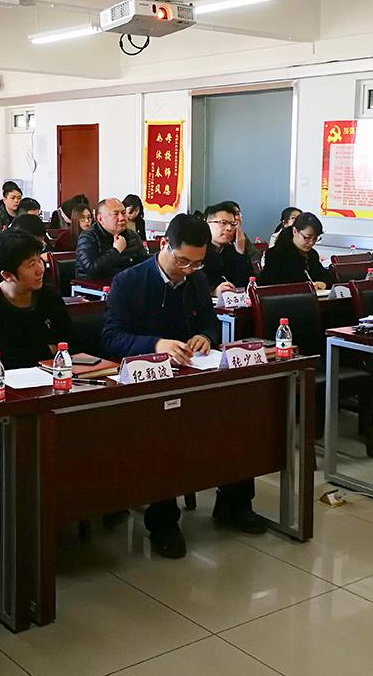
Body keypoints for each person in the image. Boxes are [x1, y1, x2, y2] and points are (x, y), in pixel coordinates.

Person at [101, 213, 263, 557]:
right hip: (145, 385)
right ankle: (163, 522)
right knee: (164, 430)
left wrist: (205, 336)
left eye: (197, 263)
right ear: (164, 245)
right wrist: (156, 344)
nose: (188, 270)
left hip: (192, 375)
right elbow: (111, 338)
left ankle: (234, 503)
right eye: (183, 261)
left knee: (237, 414)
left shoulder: (196, 280)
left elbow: (211, 323)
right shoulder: (129, 281)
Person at [0, 231, 73, 369]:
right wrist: (50, 350)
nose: (40, 270)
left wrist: (30, 353)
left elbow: (70, 344)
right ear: (7, 275)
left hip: (53, 374)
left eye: (39, 260)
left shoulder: (50, 295)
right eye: (31, 264)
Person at [76, 197, 149, 281]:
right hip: (94, 286)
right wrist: (116, 250)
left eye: (123, 213)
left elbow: (144, 263)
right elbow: (91, 269)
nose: (122, 218)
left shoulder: (132, 236)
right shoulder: (88, 237)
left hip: (126, 283)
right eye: (116, 214)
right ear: (100, 219)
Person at [259, 212, 332, 289]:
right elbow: (276, 286)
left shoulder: (312, 254)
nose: (311, 242)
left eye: (315, 238)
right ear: (295, 231)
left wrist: (323, 284)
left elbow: (325, 276)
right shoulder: (276, 254)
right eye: (307, 237)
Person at [202, 202, 254, 295]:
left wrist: (240, 252)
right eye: (223, 223)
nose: (229, 228)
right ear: (207, 223)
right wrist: (212, 292)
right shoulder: (198, 250)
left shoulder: (232, 250)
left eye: (233, 224)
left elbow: (247, 285)